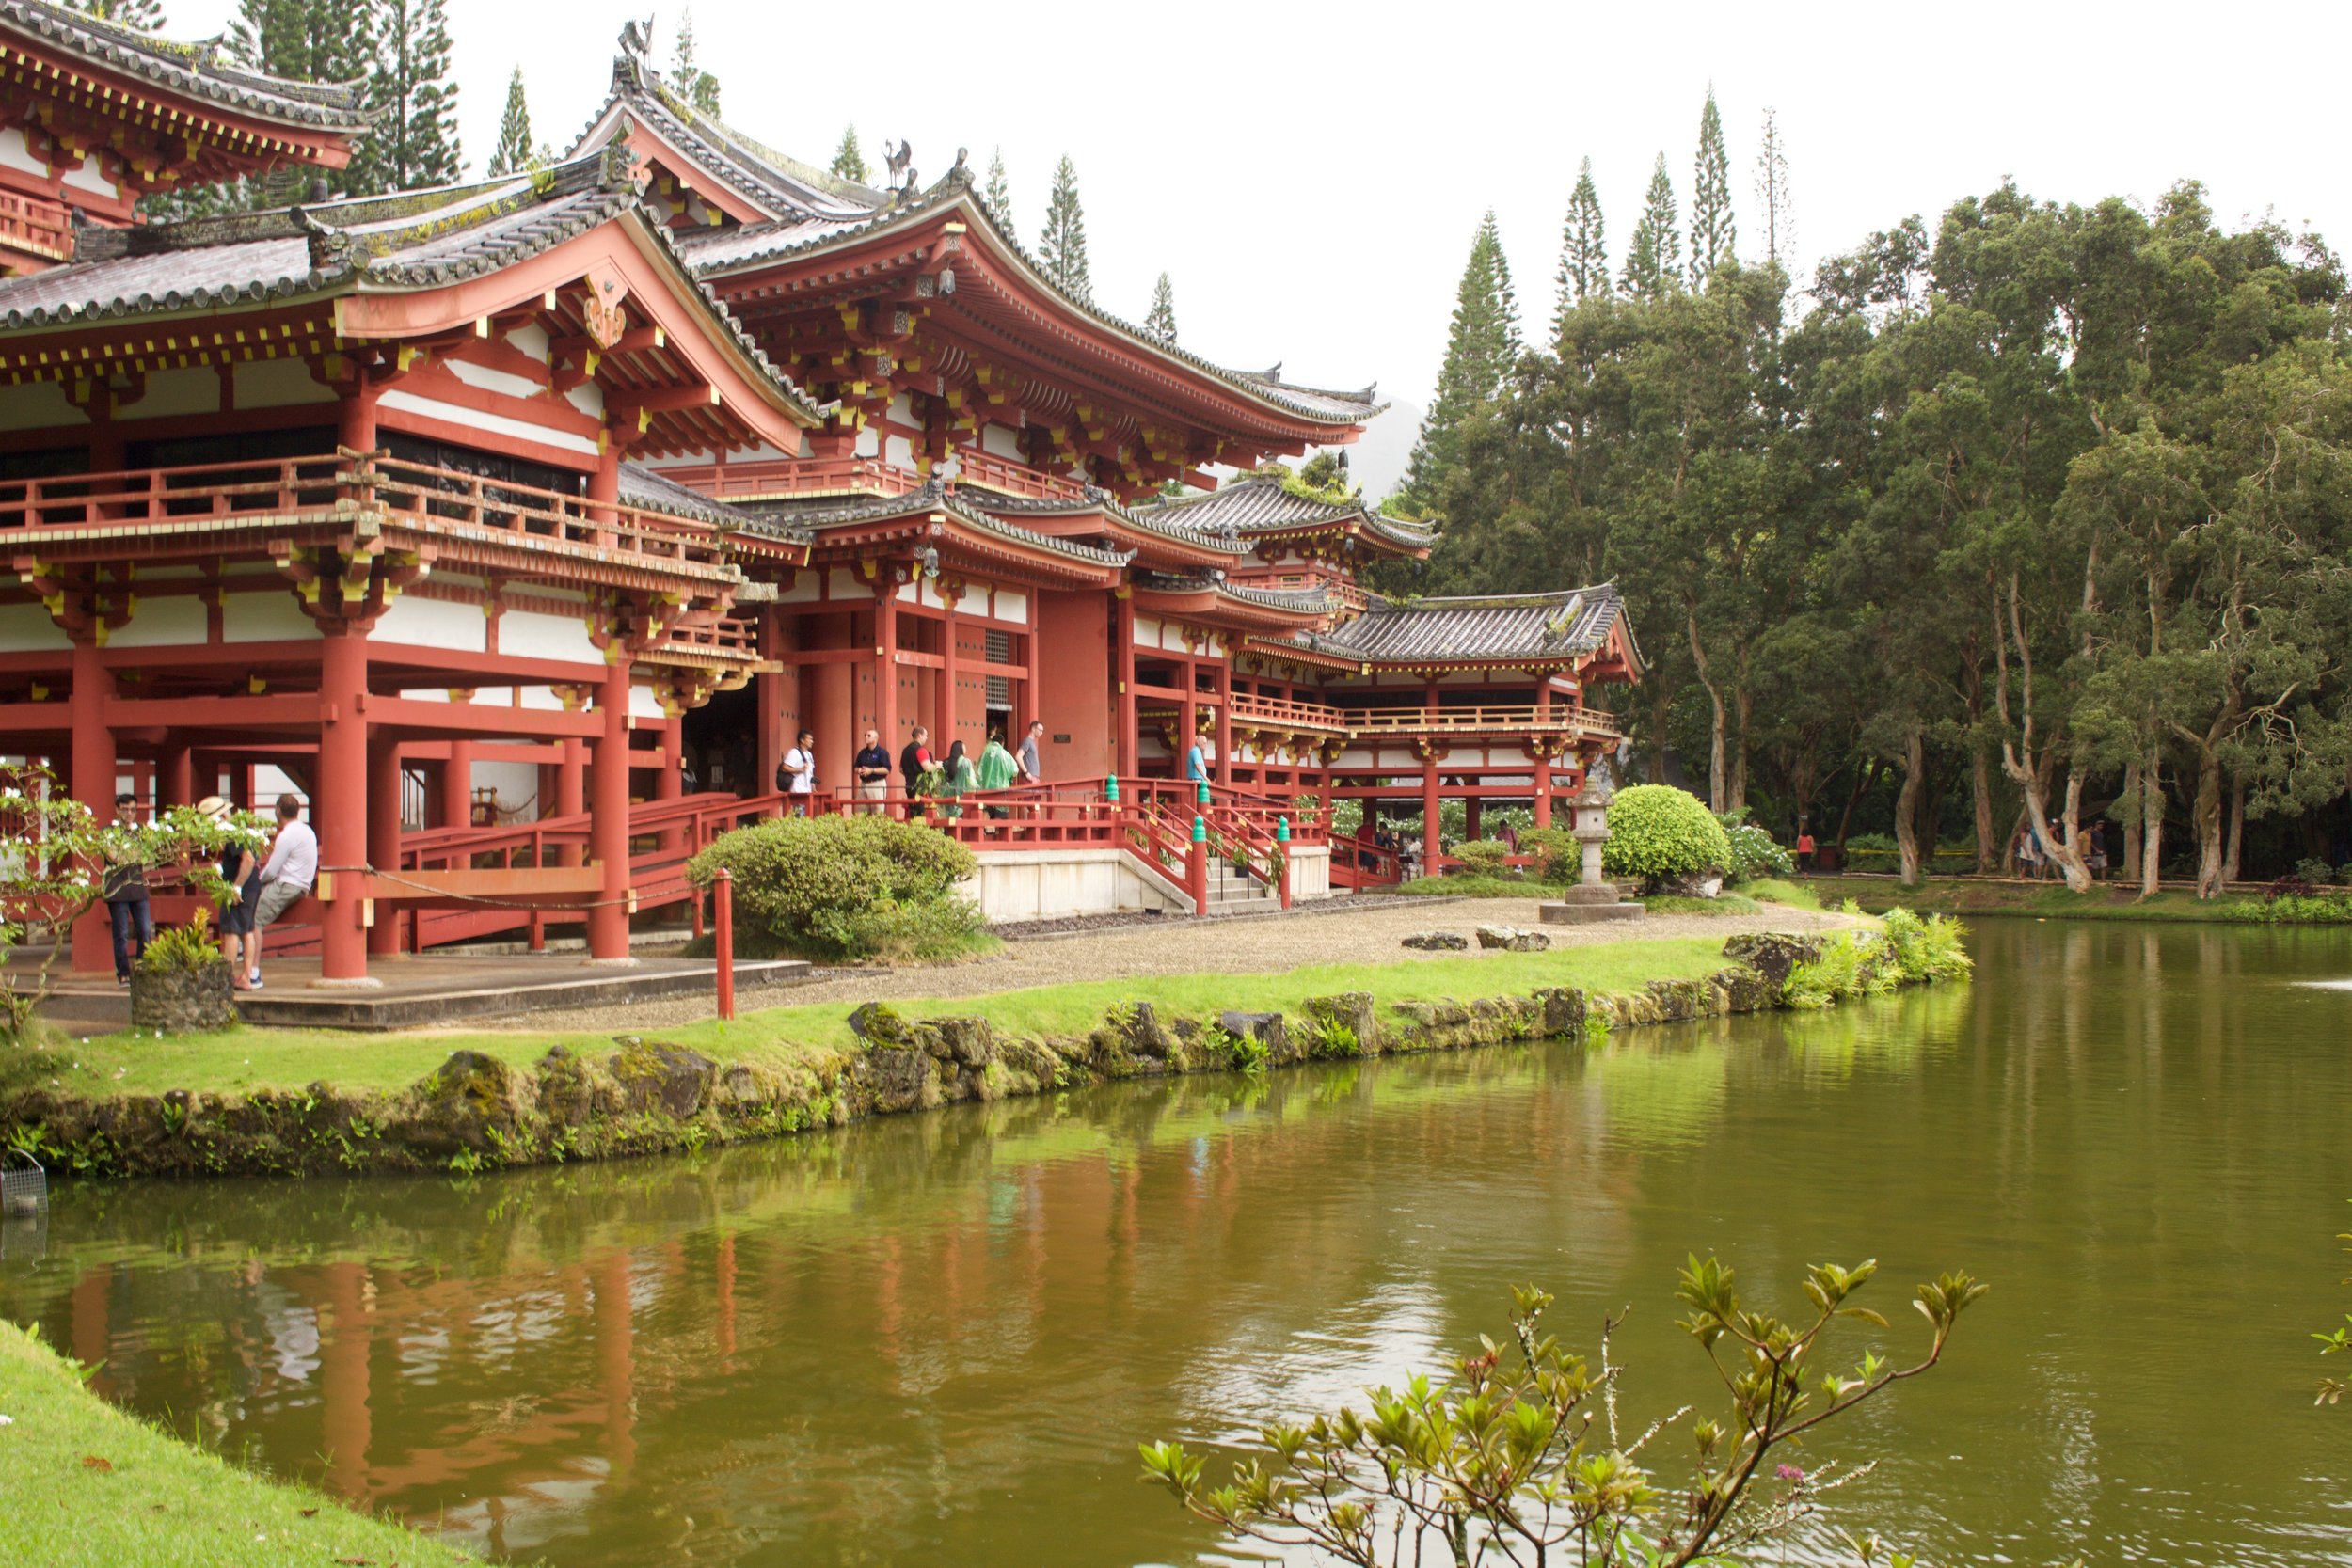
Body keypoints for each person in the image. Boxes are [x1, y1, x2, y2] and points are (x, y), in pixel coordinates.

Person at [246, 792, 316, 991]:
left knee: (254, 920)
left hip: (287, 884)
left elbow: (272, 870)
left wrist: (255, 881)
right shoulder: (307, 831)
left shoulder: (286, 835)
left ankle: (253, 972)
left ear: (278, 810)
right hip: (303, 884)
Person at [199, 795, 262, 990]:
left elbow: (248, 859)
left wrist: (236, 886)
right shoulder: (241, 829)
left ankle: (227, 976)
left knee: (232, 930)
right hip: (251, 884)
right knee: (246, 929)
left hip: (240, 884)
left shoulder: (232, 833)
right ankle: (246, 976)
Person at [101, 792, 151, 985]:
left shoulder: (143, 832)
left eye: (133, 809)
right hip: (117, 890)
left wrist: (129, 853)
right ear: (117, 810)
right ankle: (123, 972)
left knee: (145, 931)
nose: (129, 814)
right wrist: (135, 854)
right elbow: (115, 857)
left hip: (138, 888)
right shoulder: (107, 832)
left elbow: (149, 859)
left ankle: (141, 969)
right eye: (125, 809)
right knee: (121, 934)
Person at [977, 730, 1019, 818]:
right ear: (1002, 743)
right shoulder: (1005, 754)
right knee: (1000, 815)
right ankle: (998, 832)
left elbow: (979, 772)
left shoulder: (984, 754)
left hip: (986, 790)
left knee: (986, 811)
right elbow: (1015, 770)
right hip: (1001, 789)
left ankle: (982, 831)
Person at [851, 727, 892, 812]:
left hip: (877, 784)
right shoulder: (862, 753)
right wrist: (859, 770)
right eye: (865, 735)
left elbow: (887, 769)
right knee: (860, 811)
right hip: (863, 784)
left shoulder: (882, 753)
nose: (866, 737)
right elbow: (855, 768)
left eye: (869, 735)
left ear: (875, 739)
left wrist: (872, 770)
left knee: (877, 811)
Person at [780, 728, 818, 815]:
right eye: (810, 739)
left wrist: (813, 786)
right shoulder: (794, 752)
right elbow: (784, 767)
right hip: (797, 790)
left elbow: (811, 772)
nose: (812, 741)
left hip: (807, 791)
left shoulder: (809, 754)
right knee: (798, 816)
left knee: (806, 817)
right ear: (802, 740)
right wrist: (799, 769)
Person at [937, 738, 976, 819]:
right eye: (964, 747)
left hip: (948, 800)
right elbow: (971, 781)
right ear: (960, 749)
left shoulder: (945, 762)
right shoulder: (965, 762)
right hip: (962, 798)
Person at [898, 725, 932, 811]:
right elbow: (927, 768)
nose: (926, 738)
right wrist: (937, 766)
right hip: (920, 788)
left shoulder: (905, 750)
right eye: (926, 735)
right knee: (922, 813)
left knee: (912, 812)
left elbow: (901, 769)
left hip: (909, 786)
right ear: (919, 736)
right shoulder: (921, 750)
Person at [1018, 720, 1045, 786]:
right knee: (1031, 796)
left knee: (1036, 796)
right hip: (1029, 778)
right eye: (1040, 730)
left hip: (1034, 777)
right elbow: (1018, 756)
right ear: (1033, 729)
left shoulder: (1032, 742)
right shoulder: (1027, 741)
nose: (1042, 733)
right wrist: (1026, 773)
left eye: (1042, 731)